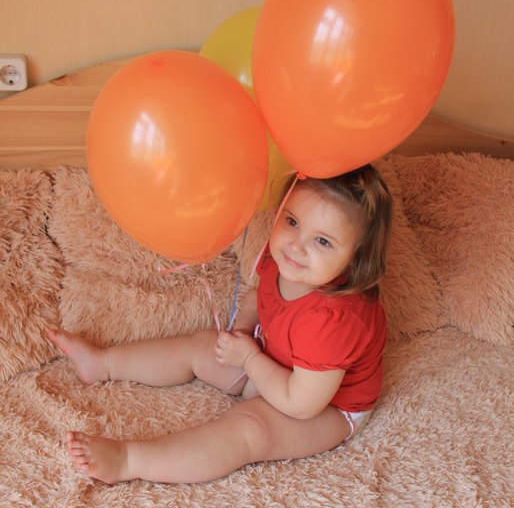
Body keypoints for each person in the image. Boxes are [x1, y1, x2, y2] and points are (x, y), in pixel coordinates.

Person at [47, 165, 392, 485]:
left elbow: (300, 403)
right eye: (292, 221)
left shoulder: (334, 320)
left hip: (325, 408)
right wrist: (242, 331)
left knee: (250, 429)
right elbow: (260, 297)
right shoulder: (283, 259)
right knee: (201, 345)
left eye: (322, 241)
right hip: (272, 360)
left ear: (356, 259)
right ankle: (102, 363)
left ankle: (128, 460)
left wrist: (250, 360)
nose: (296, 245)